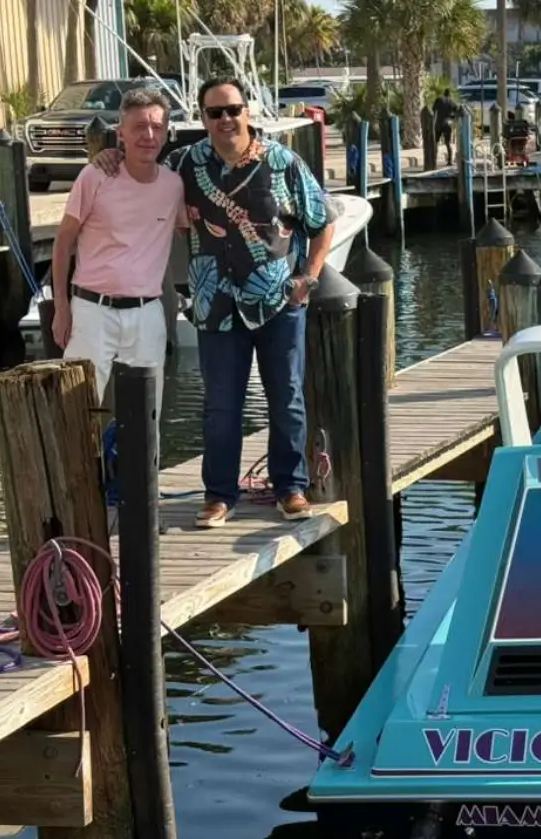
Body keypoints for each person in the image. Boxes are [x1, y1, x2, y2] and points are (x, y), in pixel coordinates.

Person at [92, 76, 336, 528]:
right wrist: (108, 155)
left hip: (278, 301)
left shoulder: (282, 162)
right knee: (221, 407)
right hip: (215, 305)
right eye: (215, 112)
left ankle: (291, 487)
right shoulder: (184, 163)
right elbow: (141, 167)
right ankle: (220, 495)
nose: (226, 119)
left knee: (287, 399)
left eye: (233, 110)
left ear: (247, 111)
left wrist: (309, 277)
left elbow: (322, 221)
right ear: (202, 118)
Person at [52, 87, 186, 426]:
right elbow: (63, 242)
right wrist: (61, 308)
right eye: (139, 126)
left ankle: (141, 465)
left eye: (156, 127)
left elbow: (193, 228)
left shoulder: (174, 186)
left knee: (146, 416)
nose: (148, 135)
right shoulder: (95, 176)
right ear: (120, 133)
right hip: (91, 311)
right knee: (76, 410)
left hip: (147, 315)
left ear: (166, 133)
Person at [432, 88, 458, 165]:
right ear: (450, 94)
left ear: (444, 93)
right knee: (448, 143)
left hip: (438, 123)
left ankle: (434, 160)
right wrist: (451, 117)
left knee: (436, 142)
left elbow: (434, 110)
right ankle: (450, 161)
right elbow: (456, 112)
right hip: (447, 124)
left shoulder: (438, 100)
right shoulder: (452, 102)